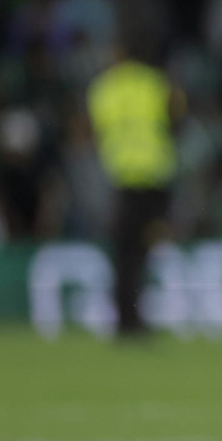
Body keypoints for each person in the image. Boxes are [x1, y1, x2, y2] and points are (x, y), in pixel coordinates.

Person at [87, 41, 184, 337]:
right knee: (142, 250)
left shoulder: (102, 88)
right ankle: (132, 317)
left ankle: (126, 319)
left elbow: (97, 130)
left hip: (123, 178)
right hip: (156, 175)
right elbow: (176, 111)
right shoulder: (154, 82)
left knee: (125, 252)